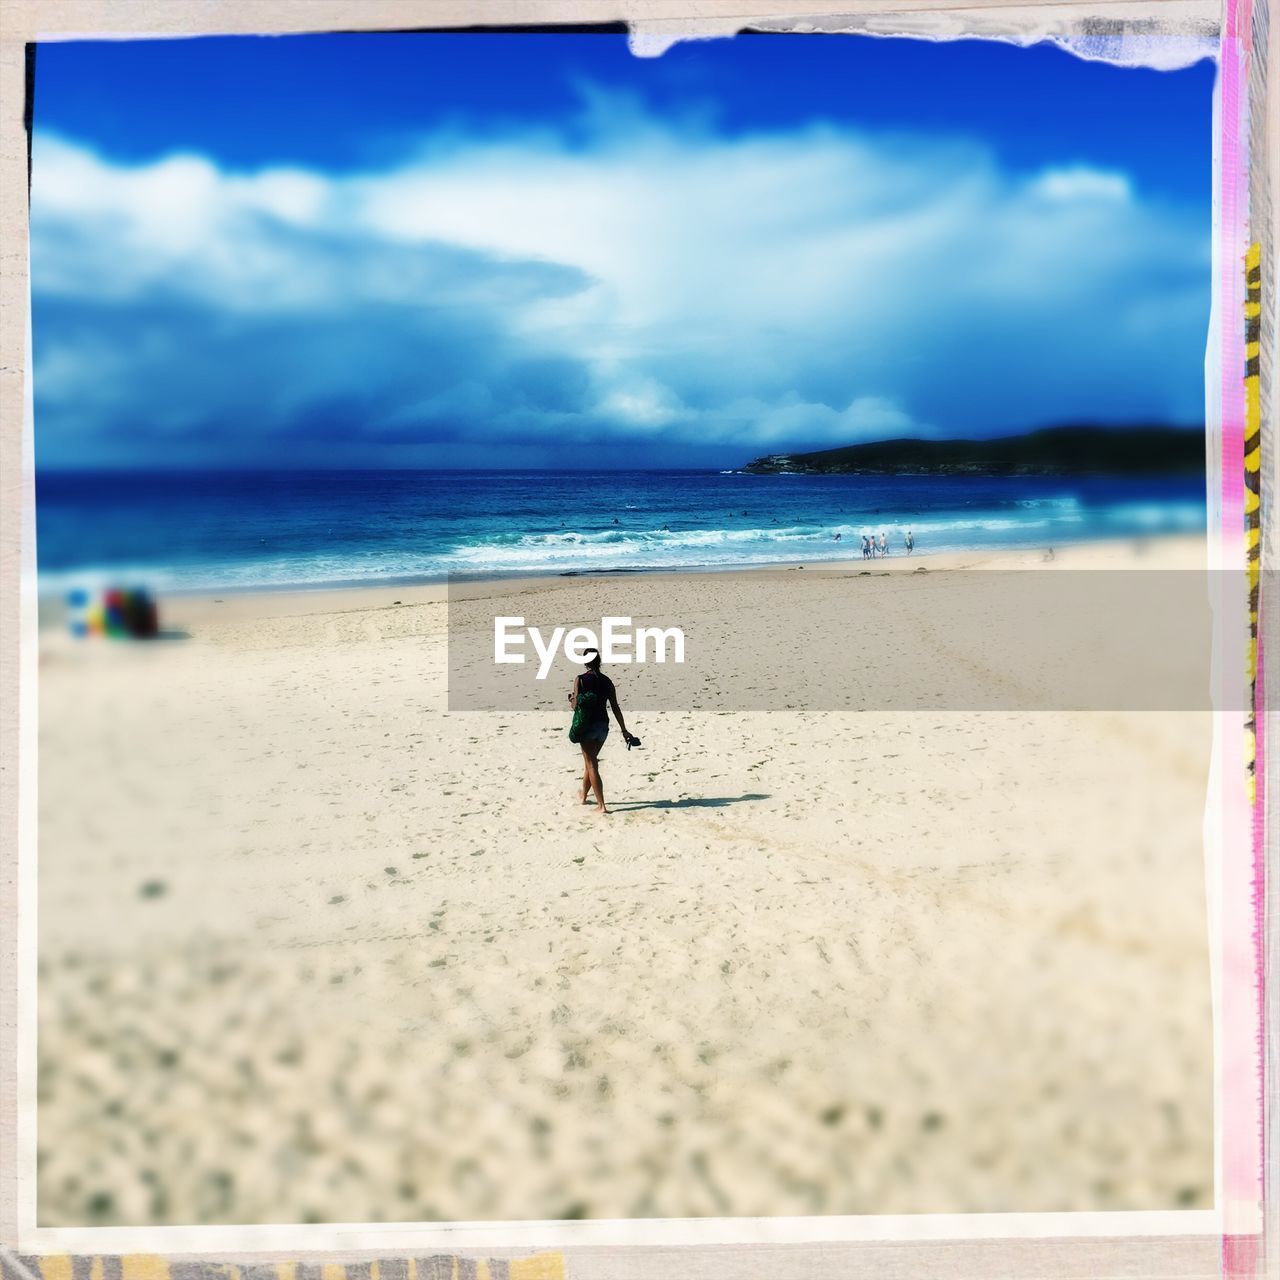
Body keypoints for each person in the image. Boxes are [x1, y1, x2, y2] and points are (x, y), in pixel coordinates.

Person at [568, 648, 635, 815]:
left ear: (585, 661)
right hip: (603, 726)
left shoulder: (580, 680)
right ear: (599, 661)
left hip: (587, 725)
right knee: (590, 763)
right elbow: (615, 706)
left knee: (591, 764)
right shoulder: (607, 681)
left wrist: (571, 699)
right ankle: (583, 796)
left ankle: (601, 805)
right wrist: (624, 730)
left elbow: (575, 705)